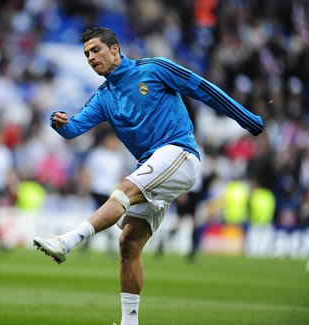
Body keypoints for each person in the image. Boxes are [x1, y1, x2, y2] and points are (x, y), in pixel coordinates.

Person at [33, 27, 263, 325]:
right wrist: (60, 123)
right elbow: (75, 128)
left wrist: (246, 118)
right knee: (129, 243)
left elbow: (202, 88)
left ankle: (67, 242)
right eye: (87, 54)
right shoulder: (103, 97)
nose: (91, 58)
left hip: (179, 153)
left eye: (96, 50)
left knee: (125, 188)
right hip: (153, 167)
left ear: (114, 49)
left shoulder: (154, 69)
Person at [80, 130, 126, 256]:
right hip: (97, 190)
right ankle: (109, 244)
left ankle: (88, 242)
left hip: (111, 192)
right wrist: (85, 187)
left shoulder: (118, 157)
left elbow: (120, 175)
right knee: (104, 218)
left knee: (103, 219)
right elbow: (87, 171)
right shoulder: (97, 154)